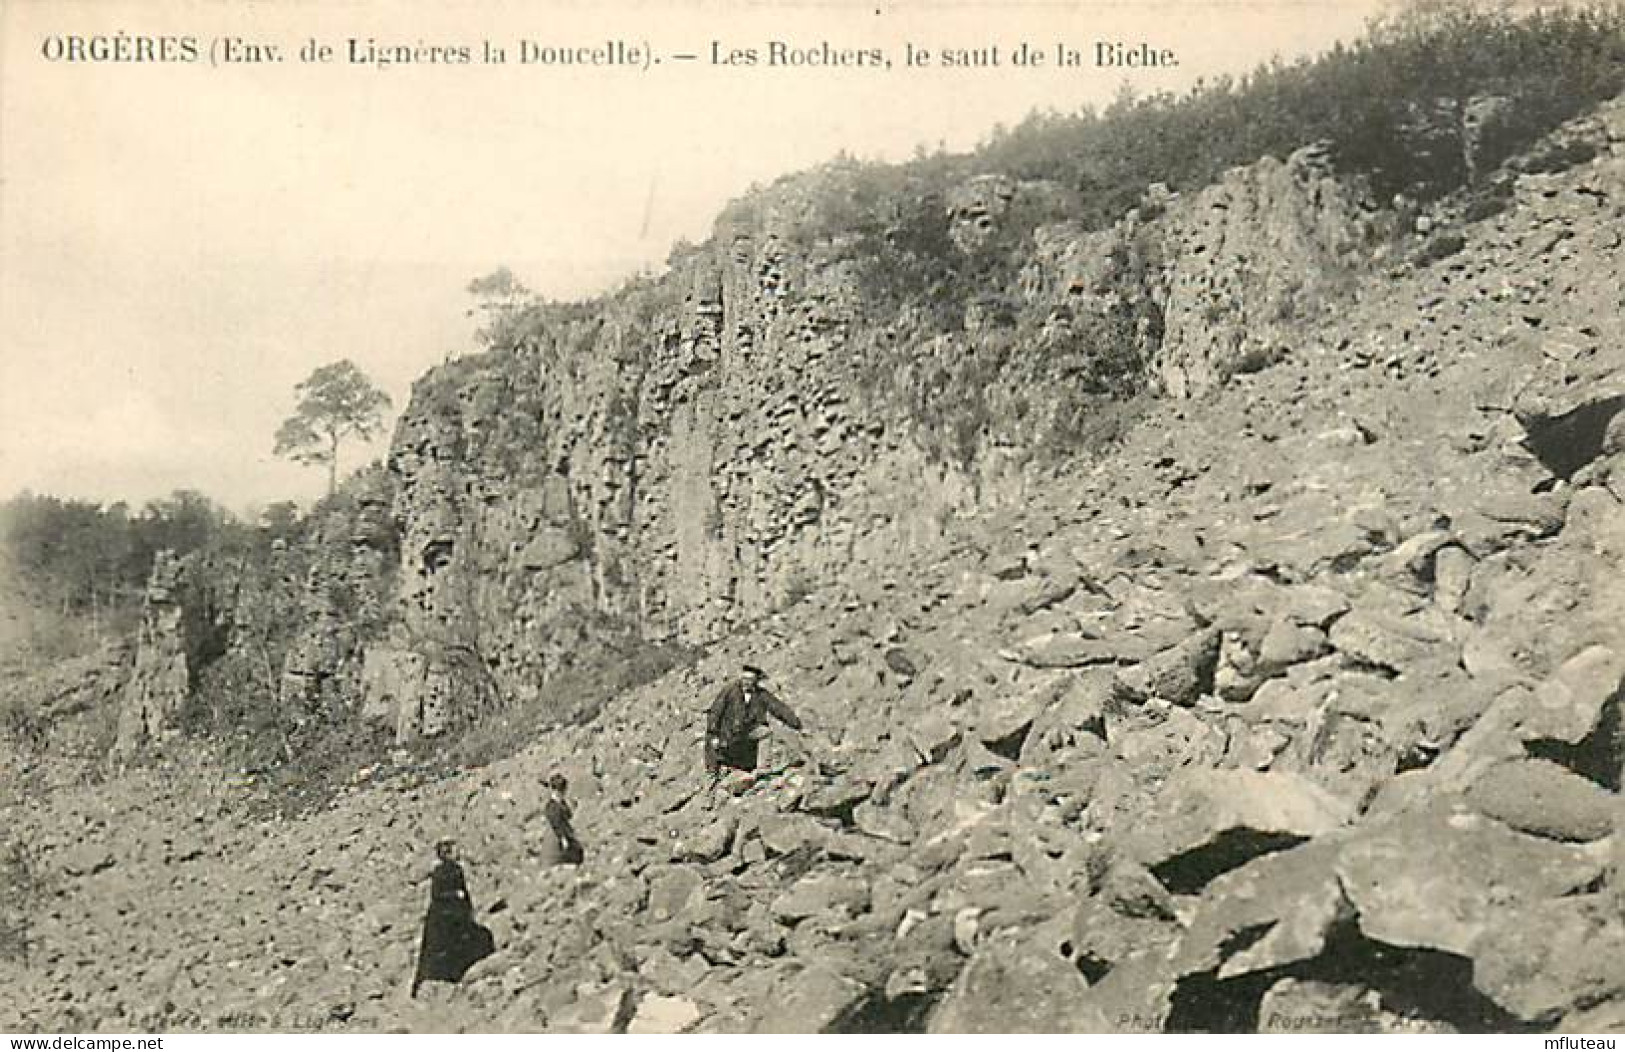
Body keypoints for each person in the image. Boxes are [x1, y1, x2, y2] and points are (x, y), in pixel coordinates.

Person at [410, 838, 495, 998]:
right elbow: (460, 896)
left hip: (441, 918)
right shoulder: (453, 871)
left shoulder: (440, 872)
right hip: (452, 918)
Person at [705, 663, 803, 776]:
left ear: (756, 681)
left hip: (746, 734)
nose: (747, 682)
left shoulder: (761, 695)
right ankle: (714, 770)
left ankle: (763, 767)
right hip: (727, 734)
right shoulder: (729, 691)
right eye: (744, 678)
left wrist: (795, 722)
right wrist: (714, 734)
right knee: (713, 745)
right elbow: (715, 712)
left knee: (765, 732)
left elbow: (777, 707)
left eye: (750, 679)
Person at [538, 773, 584, 865]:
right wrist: (563, 838)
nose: (561, 793)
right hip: (555, 839)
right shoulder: (552, 807)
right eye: (559, 790)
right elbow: (556, 824)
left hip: (563, 835)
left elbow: (568, 816)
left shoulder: (560, 803)